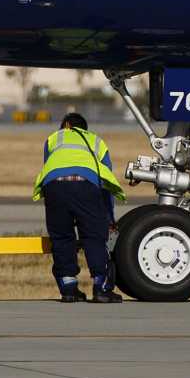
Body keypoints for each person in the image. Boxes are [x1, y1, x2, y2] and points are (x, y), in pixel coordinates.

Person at [32, 111, 124, 303]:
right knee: (93, 236)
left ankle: (68, 289)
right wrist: (109, 217)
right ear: (85, 128)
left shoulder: (53, 139)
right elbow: (105, 181)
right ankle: (101, 288)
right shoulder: (96, 141)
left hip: (54, 186)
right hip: (86, 185)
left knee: (62, 237)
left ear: (65, 125)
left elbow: (50, 165)